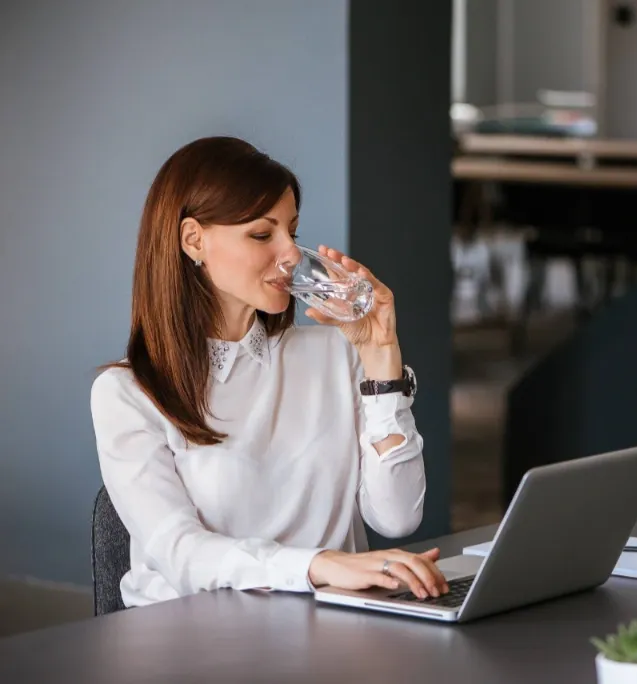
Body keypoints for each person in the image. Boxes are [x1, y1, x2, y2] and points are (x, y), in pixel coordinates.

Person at [90, 136, 448, 608]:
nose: (292, 254)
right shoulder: (126, 393)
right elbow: (181, 554)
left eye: (292, 232)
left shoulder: (335, 353)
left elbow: (398, 519)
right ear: (193, 240)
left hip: (331, 632)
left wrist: (382, 355)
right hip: (188, 643)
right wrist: (319, 565)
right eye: (263, 234)